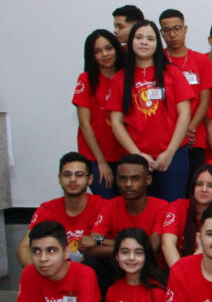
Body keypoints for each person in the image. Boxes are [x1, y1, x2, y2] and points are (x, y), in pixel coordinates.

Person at [107, 21, 194, 201]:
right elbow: (116, 121)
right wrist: (137, 155)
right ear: (130, 42)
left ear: (157, 43)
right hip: (136, 156)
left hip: (173, 154)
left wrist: (169, 152)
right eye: (139, 38)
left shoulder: (172, 72)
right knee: (140, 211)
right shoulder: (120, 78)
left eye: (150, 38)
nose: (144, 42)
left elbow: (185, 114)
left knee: (172, 209)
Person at [18, 152, 106, 268]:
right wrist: (39, 273)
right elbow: (24, 247)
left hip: (90, 272)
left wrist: (96, 240)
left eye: (79, 175)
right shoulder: (47, 209)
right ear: (59, 179)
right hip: (54, 274)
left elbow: (115, 240)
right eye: (67, 175)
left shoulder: (103, 206)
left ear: (90, 179)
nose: (72, 179)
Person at [159, 8, 212, 174]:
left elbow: (204, 100)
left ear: (185, 29)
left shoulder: (201, 60)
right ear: (161, 33)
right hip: (166, 136)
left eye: (176, 28)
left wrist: (189, 128)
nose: (172, 34)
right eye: (167, 30)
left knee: (193, 187)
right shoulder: (158, 61)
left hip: (195, 136)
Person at [82, 156, 168, 262]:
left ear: (148, 180)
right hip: (119, 267)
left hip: (151, 270)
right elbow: (93, 242)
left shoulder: (162, 207)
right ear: (116, 180)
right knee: (91, 261)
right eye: (123, 178)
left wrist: (113, 243)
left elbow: (152, 248)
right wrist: (134, 247)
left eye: (135, 178)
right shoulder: (111, 205)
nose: (128, 184)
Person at [73, 29, 124, 198]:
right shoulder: (86, 79)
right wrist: (101, 162)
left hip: (124, 154)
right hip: (96, 157)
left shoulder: (127, 77)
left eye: (109, 48)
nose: (105, 54)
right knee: (106, 204)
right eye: (97, 51)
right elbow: (84, 124)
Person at [159, 164, 212, 267]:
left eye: (210, 185)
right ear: (193, 187)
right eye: (199, 184)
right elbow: (167, 243)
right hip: (175, 269)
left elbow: (205, 250)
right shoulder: (178, 207)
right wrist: (179, 273)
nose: (204, 189)